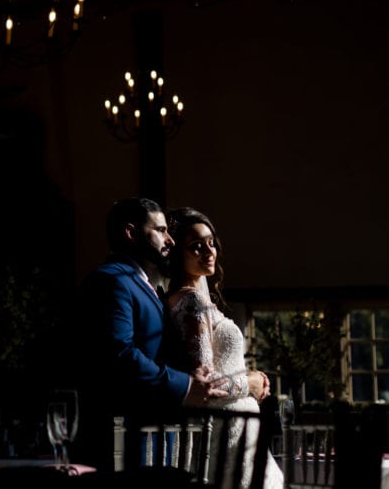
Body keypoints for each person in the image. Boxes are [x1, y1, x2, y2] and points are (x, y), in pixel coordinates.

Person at [72, 196, 228, 474]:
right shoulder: (112, 281)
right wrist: (184, 385)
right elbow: (119, 354)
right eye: (160, 230)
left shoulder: (149, 288)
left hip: (153, 433)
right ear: (130, 233)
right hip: (126, 436)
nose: (169, 240)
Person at [163, 206, 283, 488]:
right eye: (196, 246)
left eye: (211, 242)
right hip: (227, 428)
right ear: (178, 254)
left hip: (241, 428)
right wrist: (251, 382)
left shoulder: (197, 300)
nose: (209, 251)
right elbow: (206, 386)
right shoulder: (191, 302)